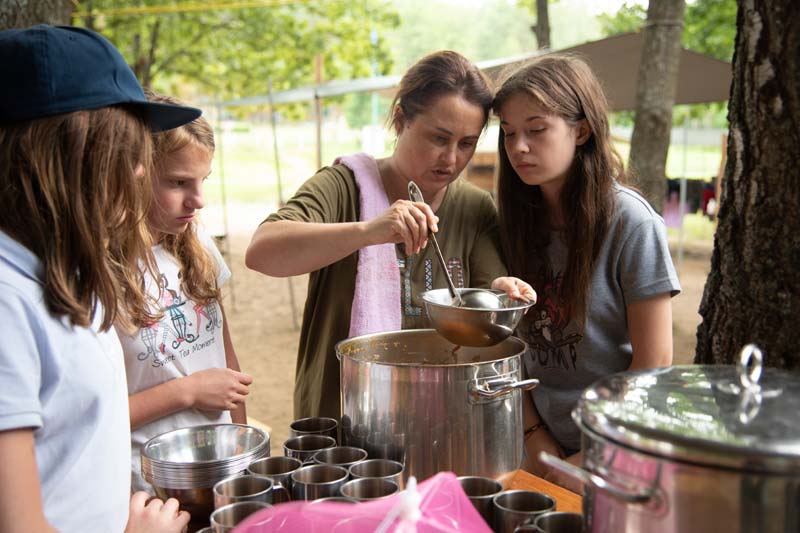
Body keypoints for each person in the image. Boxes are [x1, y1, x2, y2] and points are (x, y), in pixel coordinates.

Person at [246, 50, 534, 420]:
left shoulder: (474, 207)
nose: (450, 159)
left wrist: (505, 289)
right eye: (438, 138)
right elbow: (261, 252)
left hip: (439, 420)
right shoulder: (343, 187)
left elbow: (486, 296)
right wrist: (369, 231)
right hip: (341, 418)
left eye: (466, 144)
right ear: (401, 121)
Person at [0, 25, 202, 532]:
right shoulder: (6, 301)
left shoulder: (63, 275)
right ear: (64, 156)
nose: (138, 172)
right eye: (124, 150)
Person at [492, 54, 681, 488]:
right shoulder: (513, 221)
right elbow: (506, 349)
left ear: (581, 130)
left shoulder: (632, 223)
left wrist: (588, 456)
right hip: (532, 442)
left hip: (619, 448)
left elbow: (655, 363)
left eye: (536, 130)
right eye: (508, 133)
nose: (519, 146)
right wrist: (534, 436)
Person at [119, 91, 252, 493]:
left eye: (202, 181)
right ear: (134, 173)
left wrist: (245, 452)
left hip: (220, 468)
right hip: (148, 485)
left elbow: (225, 358)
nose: (198, 200)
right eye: (178, 182)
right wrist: (188, 391)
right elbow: (94, 417)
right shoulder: (103, 270)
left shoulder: (195, 241)